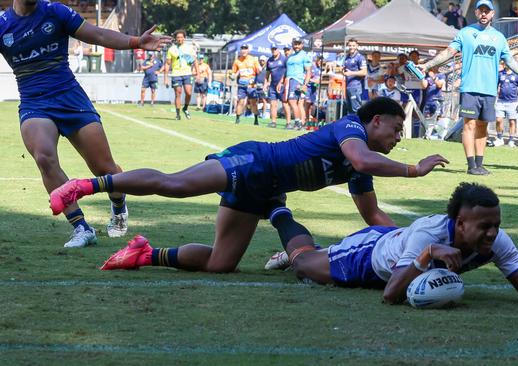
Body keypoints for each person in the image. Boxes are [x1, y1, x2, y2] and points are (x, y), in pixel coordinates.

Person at [50, 98, 450, 273]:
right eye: (397, 129)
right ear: (375, 120)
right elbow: (363, 157)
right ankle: (85, 186)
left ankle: (143, 254)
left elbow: (372, 215)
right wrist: (414, 170)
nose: (399, 138)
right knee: (177, 185)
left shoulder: (360, 170)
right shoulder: (349, 127)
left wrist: (412, 239)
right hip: (255, 161)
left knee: (220, 265)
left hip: (265, 188)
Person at [0, 0, 171, 247]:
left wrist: (135, 42)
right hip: (34, 103)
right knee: (44, 158)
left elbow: (98, 34)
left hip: (70, 98)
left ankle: (118, 205)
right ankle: (81, 227)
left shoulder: (55, 12)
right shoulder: (4, 25)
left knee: (104, 168)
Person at [270, 182, 518, 314]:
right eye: (485, 226)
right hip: (369, 255)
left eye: (496, 224)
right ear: (460, 224)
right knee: (302, 265)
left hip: (400, 249)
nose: (493, 232)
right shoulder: (428, 234)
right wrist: (427, 254)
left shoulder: (497, 241)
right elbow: (390, 295)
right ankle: (279, 211)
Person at [421, 0, 518, 175]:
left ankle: (480, 164)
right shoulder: (465, 33)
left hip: (489, 89)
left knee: (482, 127)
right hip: (470, 87)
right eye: (481, 10)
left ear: (493, 14)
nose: (484, 14)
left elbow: (510, 61)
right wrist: (428, 65)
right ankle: (471, 165)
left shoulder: (499, 37)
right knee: (469, 125)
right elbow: (449, 52)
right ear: (477, 13)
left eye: (487, 11)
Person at [164, 29, 196, 121]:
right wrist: (165, 78)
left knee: (189, 93)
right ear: (175, 38)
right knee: (178, 93)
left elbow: (194, 61)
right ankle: (178, 114)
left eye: (181, 37)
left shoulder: (189, 48)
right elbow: (167, 64)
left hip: (187, 74)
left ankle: (185, 108)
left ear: (184, 38)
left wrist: (196, 72)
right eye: (178, 37)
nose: (179, 39)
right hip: (176, 74)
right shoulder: (171, 49)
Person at [284, 38, 311, 130]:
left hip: (297, 80)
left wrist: (305, 84)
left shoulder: (304, 55)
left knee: (292, 101)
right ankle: (302, 124)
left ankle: (297, 122)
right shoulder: (291, 56)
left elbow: (308, 71)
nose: (296, 46)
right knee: (299, 103)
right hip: (290, 80)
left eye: (298, 44)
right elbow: (286, 70)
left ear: (302, 44)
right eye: (295, 44)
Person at [231, 44, 261, 125]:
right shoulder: (237, 61)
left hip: (251, 86)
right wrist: (232, 76)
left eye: (245, 49)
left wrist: (259, 70)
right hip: (242, 85)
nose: (244, 50)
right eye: (242, 49)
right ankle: (237, 119)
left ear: (248, 50)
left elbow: (259, 71)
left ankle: (256, 119)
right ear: (240, 50)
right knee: (240, 101)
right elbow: (233, 72)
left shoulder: (253, 59)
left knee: (253, 103)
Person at [494, 61, 518, 147]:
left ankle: (511, 140)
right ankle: (499, 138)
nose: (507, 64)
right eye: (505, 63)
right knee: (499, 120)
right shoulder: (500, 74)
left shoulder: (516, 75)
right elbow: (496, 85)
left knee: (512, 122)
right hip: (501, 101)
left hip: (512, 102)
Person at [265, 43, 291, 129]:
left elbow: (287, 71)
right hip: (273, 85)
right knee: (273, 104)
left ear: (278, 49)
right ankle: (273, 122)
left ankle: (288, 123)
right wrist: (265, 83)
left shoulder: (284, 59)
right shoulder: (269, 60)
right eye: (272, 49)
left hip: (282, 85)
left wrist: (282, 82)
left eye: (275, 49)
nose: (273, 50)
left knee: (285, 104)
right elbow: (267, 74)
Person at [343, 38, 367, 114]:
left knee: (356, 109)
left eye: (353, 45)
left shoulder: (360, 57)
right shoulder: (347, 57)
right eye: (350, 45)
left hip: (356, 86)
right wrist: (342, 71)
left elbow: (364, 72)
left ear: (357, 46)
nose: (351, 47)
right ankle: (351, 125)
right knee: (349, 109)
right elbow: (345, 71)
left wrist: (351, 73)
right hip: (348, 86)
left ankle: (358, 125)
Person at [304, 56, 322, 129]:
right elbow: (306, 76)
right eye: (320, 61)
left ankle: (310, 123)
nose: (321, 63)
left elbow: (319, 80)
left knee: (312, 106)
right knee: (307, 104)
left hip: (314, 89)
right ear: (317, 60)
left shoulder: (319, 69)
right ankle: (305, 121)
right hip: (308, 88)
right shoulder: (311, 67)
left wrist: (316, 81)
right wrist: (311, 80)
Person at [254, 55, 269, 119]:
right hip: (257, 86)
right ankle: (256, 114)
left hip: (264, 87)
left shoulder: (267, 69)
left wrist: (265, 86)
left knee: (264, 100)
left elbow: (269, 79)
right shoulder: (258, 68)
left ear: (265, 61)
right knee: (255, 100)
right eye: (260, 61)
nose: (261, 62)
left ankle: (264, 114)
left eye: (263, 60)